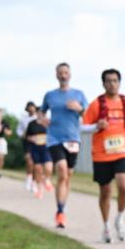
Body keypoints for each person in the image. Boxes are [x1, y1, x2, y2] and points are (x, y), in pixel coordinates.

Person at [83, 68, 125, 243]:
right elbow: (82, 127)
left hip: (123, 151)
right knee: (105, 191)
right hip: (102, 154)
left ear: (119, 83)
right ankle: (106, 225)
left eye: (115, 80)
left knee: (124, 186)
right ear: (103, 84)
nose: (112, 84)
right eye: (108, 81)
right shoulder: (96, 104)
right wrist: (96, 127)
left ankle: (119, 219)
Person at [40, 62, 88, 228]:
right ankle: (60, 212)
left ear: (70, 74)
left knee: (67, 176)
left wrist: (78, 108)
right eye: (60, 72)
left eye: (66, 72)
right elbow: (41, 112)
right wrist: (42, 119)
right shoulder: (50, 95)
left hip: (74, 139)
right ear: (56, 75)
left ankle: (62, 207)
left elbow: (88, 115)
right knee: (61, 170)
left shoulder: (79, 94)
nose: (63, 75)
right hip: (55, 138)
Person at [24, 110, 51, 199]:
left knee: (48, 167)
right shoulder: (32, 124)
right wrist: (32, 138)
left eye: (44, 113)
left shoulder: (48, 123)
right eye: (40, 113)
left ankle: (46, 178)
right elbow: (26, 137)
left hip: (46, 148)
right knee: (38, 169)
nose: (42, 115)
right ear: (37, 114)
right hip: (35, 148)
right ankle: (40, 190)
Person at [17, 101, 39, 192]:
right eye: (29, 107)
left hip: (38, 143)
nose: (31, 108)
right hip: (27, 142)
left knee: (36, 164)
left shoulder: (38, 118)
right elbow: (19, 131)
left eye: (32, 107)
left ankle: (34, 182)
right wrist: (23, 136)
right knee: (29, 161)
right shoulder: (24, 119)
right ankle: (29, 178)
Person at [0, 108, 11, 177]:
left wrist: (6, 131)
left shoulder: (5, 122)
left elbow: (9, 132)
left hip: (1, 141)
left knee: (0, 157)